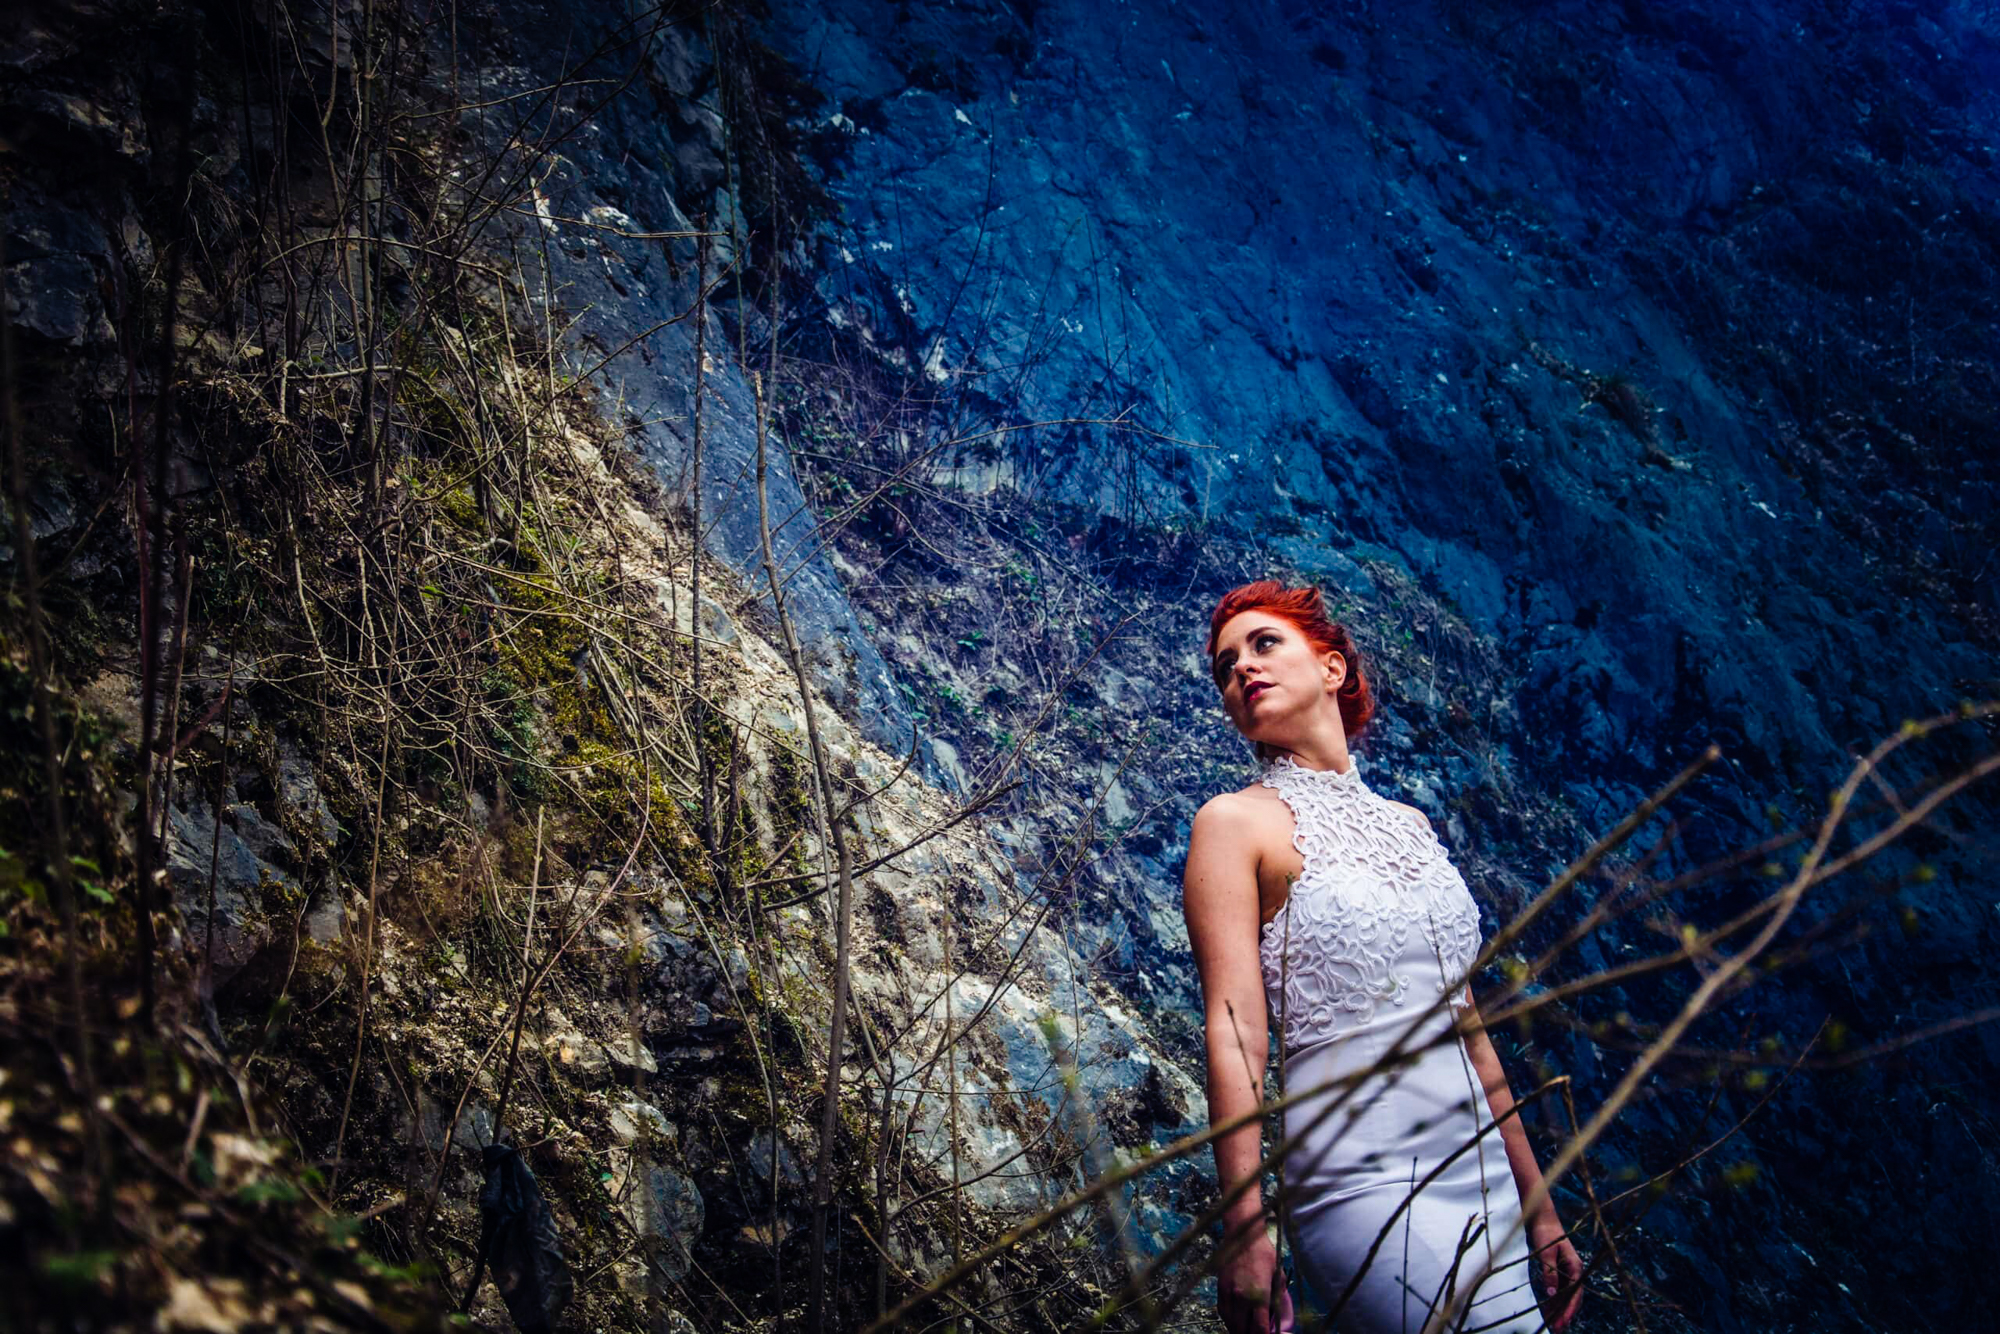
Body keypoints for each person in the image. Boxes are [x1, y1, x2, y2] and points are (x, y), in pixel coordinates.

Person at [1182, 580, 1585, 1334]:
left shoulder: (1413, 826)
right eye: (1225, 666)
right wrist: (1245, 1233)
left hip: (1486, 1181)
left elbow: (1470, 1034)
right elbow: (1236, 1034)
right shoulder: (1233, 824)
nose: (1241, 668)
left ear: (1331, 668)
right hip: (1358, 1178)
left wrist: (1543, 1212)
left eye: (1264, 644)